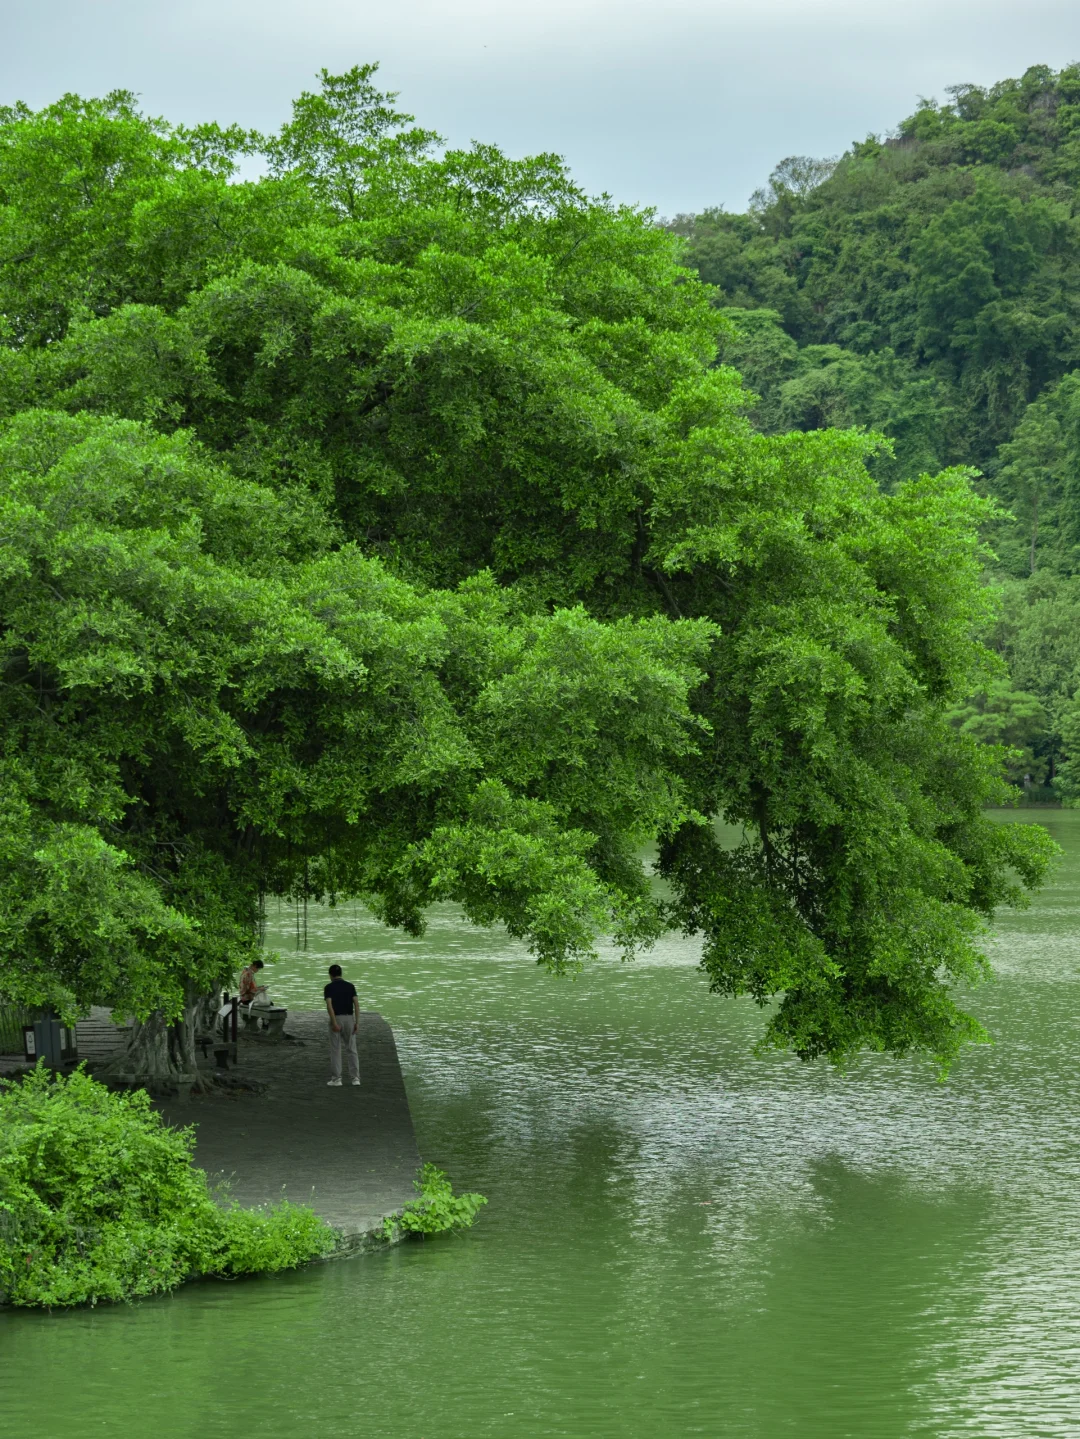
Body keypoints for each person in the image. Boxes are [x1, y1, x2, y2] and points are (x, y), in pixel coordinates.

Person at [324, 963, 360, 1087]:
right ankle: (355, 1078)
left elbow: (329, 1005)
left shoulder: (329, 987)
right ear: (341, 974)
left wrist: (334, 1022)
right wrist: (357, 1022)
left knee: (336, 1049)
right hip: (350, 1018)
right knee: (352, 1049)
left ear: (330, 975)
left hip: (337, 1018)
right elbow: (356, 1004)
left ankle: (336, 1079)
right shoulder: (350, 986)